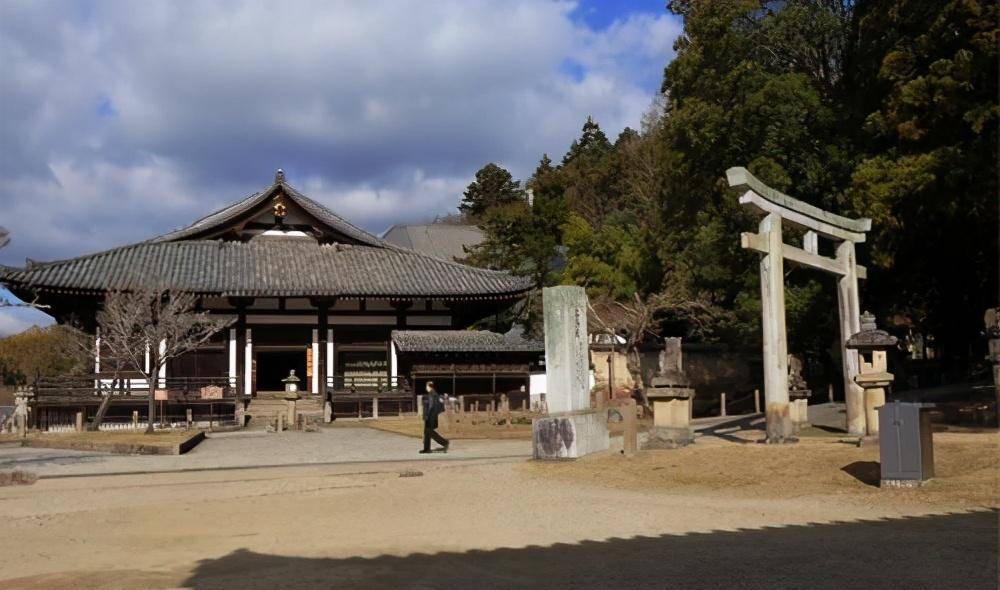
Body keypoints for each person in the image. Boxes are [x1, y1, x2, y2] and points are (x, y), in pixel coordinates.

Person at [420, 381, 449, 454]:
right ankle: (427, 449)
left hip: (430, 416)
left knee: (429, 432)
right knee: (427, 432)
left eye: (426, 386)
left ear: (429, 386)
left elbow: (431, 406)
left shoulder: (432, 394)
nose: (426, 388)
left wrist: (427, 415)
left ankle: (444, 442)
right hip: (431, 416)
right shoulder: (433, 394)